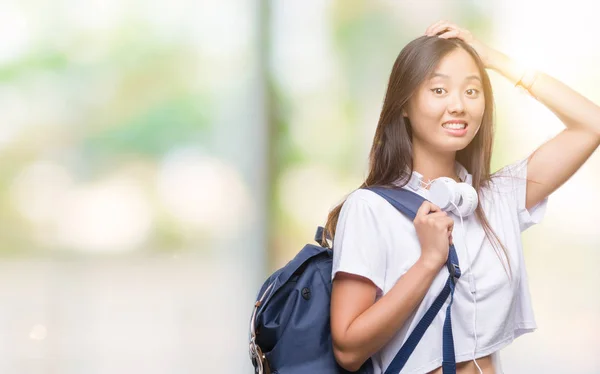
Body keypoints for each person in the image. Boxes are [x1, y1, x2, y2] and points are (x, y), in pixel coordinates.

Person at [326, 20, 600, 374]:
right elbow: (347, 349)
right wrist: (428, 262)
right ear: (404, 105)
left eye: (472, 91)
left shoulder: (496, 199)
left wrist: (494, 60)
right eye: (439, 90)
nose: (458, 105)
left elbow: (591, 125)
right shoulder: (370, 209)